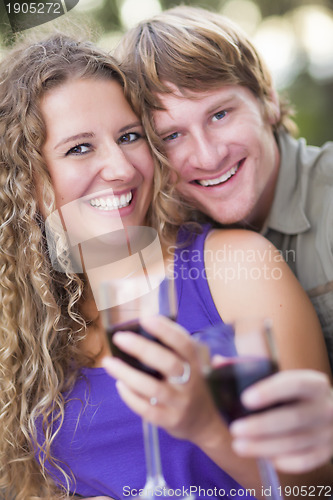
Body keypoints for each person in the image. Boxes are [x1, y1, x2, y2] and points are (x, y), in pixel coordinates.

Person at [0, 29, 331, 500]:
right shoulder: (24, 320)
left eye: (129, 136)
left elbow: (318, 488)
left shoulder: (233, 269)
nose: (120, 167)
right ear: (27, 182)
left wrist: (206, 426)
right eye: (79, 147)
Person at [113, 4, 333, 473]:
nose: (207, 156)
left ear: (268, 100)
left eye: (219, 115)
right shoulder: (180, 245)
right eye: (171, 136)